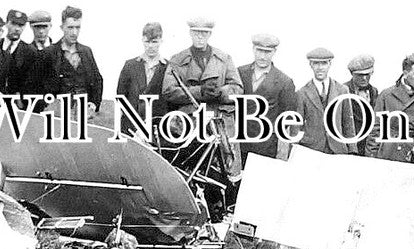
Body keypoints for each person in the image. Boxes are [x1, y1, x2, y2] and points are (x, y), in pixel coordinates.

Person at [162, 18, 244, 178]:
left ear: (209, 34)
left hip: (220, 124)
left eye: (204, 33)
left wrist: (221, 92)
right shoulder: (177, 60)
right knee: (189, 171)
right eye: (196, 33)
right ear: (190, 33)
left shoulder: (224, 59)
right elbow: (168, 90)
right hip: (190, 125)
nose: (200, 37)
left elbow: (238, 88)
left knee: (227, 171)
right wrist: (199, 92)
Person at [367, 54, 414, 164]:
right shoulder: (387, 95)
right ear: (406, 73)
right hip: (388, 153)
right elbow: (376, 129)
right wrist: (371, 158)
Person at [236, 33, 296, 164]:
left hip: (266, 149)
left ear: (274, 52)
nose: (262, 56)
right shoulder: (239, 73)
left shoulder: (284, 82)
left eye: (267, 52)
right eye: (259, 51)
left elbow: (286, 120)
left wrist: (281, 153)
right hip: (238, 145)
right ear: (253, 49)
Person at [37, 6, 104, 115]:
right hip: (58, 113)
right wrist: (47, 105)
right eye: (70, 27)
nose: (74, 32)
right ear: (62, 27)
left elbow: (97, 80)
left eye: (77, 28)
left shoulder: (86, 52)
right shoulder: (49, 53)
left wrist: (94, 103)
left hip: (83, 114)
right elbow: (37, 84)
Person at [296, 48, 356, 155]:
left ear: (330, 64)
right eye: (316, 64)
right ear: (310, 65)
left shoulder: (342, 90)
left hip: (337, 149)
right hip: (312, 149)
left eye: (323, 63)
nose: (320, 68)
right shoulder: (302, 93)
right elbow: (297, 126)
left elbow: (348, 123)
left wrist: (352, 150)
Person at [116, 22, 169, 136]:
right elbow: (121, 97)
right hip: (130, 128)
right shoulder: (130, 66)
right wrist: (134, 128)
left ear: (161, 41)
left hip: (156, 130)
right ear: (142, 40)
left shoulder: (168, 68)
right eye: (147, 42)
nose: (150, 46)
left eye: (154, 42)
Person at [346, 55, 378, 156]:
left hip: (368, 145)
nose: (364, 78)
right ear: (352, 74)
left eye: (367, 74)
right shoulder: (343, 90)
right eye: (360, 75)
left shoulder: (374, 91)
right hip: (350, 145)